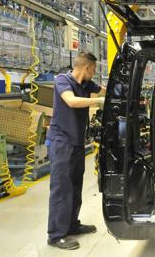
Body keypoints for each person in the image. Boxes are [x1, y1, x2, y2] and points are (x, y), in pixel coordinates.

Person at [46, 52, 105, 250]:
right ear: (87, 68)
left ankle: (71, 224)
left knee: (75, 186)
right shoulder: (62, 80)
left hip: (77, 142)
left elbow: (106, 90)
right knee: (61, 188)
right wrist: (99, 102)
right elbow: (71, 101)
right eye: (94, 69)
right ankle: (55, 235)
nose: (94, 73)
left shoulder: (87, 84)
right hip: (61, 142)